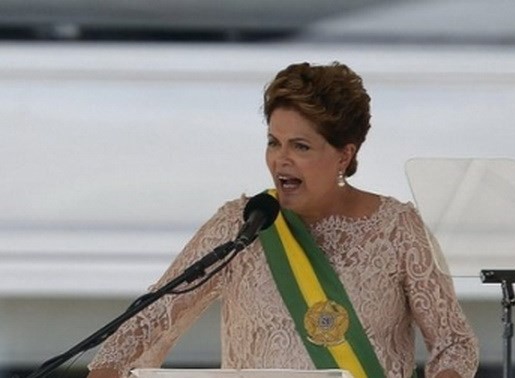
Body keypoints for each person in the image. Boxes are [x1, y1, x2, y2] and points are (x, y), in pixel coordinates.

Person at [87, 62, 479, 378]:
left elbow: (455, 344)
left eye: (300, 146)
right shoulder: (241, 224)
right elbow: (148, 320)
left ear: (344, 155)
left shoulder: (398, 229)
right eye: (274, 142)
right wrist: (106, 369)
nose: (280, 159)